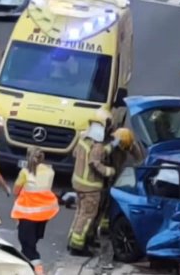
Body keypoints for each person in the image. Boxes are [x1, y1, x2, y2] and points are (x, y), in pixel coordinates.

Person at [67, 109, 119, 256]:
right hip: (90, 187)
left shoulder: (84, 140)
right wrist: (110, 171)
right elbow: (94, 162)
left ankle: (74, 239)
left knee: (79, 213)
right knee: (87, 215)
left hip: (78, 185)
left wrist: (113, 145)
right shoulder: (97, 145)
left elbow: (76, 153)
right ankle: (78, 246)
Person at [11, 146, 59, 275]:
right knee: (30, 245)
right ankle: (26, 268)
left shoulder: (25, 173)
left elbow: (15, 190)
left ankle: (38, 271)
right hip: (43, 216)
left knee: (28, 247)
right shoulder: (50, 172)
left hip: (27, 216)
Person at [96, 127, 145, 235]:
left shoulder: (129, 142)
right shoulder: (110, 145)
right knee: (103, 199)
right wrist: (108, 174)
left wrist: (139, 170)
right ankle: (102, 224)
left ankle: (106, 224)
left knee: (111, 199)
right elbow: (101, 161)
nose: (124, 150)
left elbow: (139, 159)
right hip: (107, 172)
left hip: (116, 172)